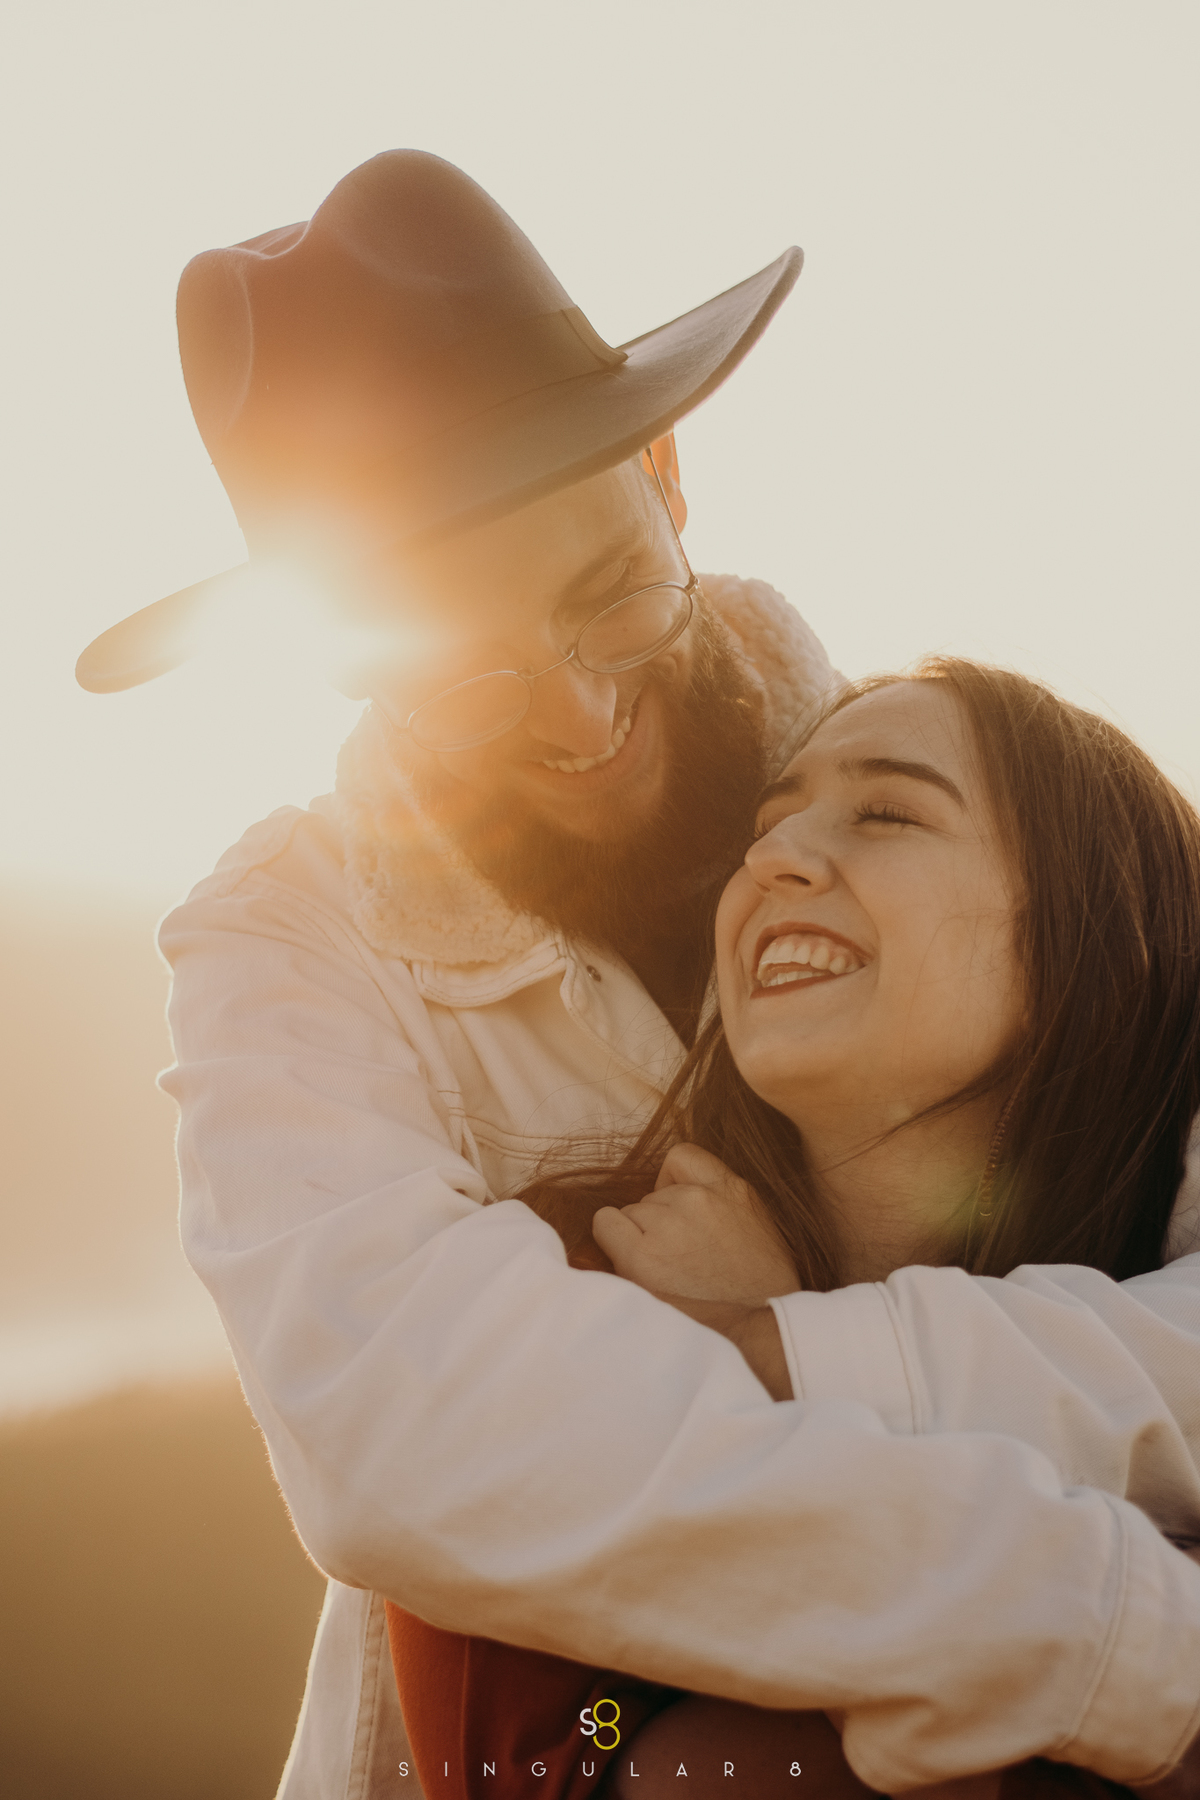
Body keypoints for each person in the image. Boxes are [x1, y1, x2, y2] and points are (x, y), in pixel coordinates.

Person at [74, 151, 1200, 1797]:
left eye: (613, 599)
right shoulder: (289, 941)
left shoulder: (971, 805)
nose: (582, 719)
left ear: (667, 471)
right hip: (567, 1741)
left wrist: (790, 1344)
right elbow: (413, 1442)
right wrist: (1114, 1638)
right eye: (465, 680)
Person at [386, 658, 1200, 1798]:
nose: (769, 857)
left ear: (1101, 932)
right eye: (769, 825)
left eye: (887, 811)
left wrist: (786, 1345)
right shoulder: (564, 1287)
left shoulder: (1162, 1328)